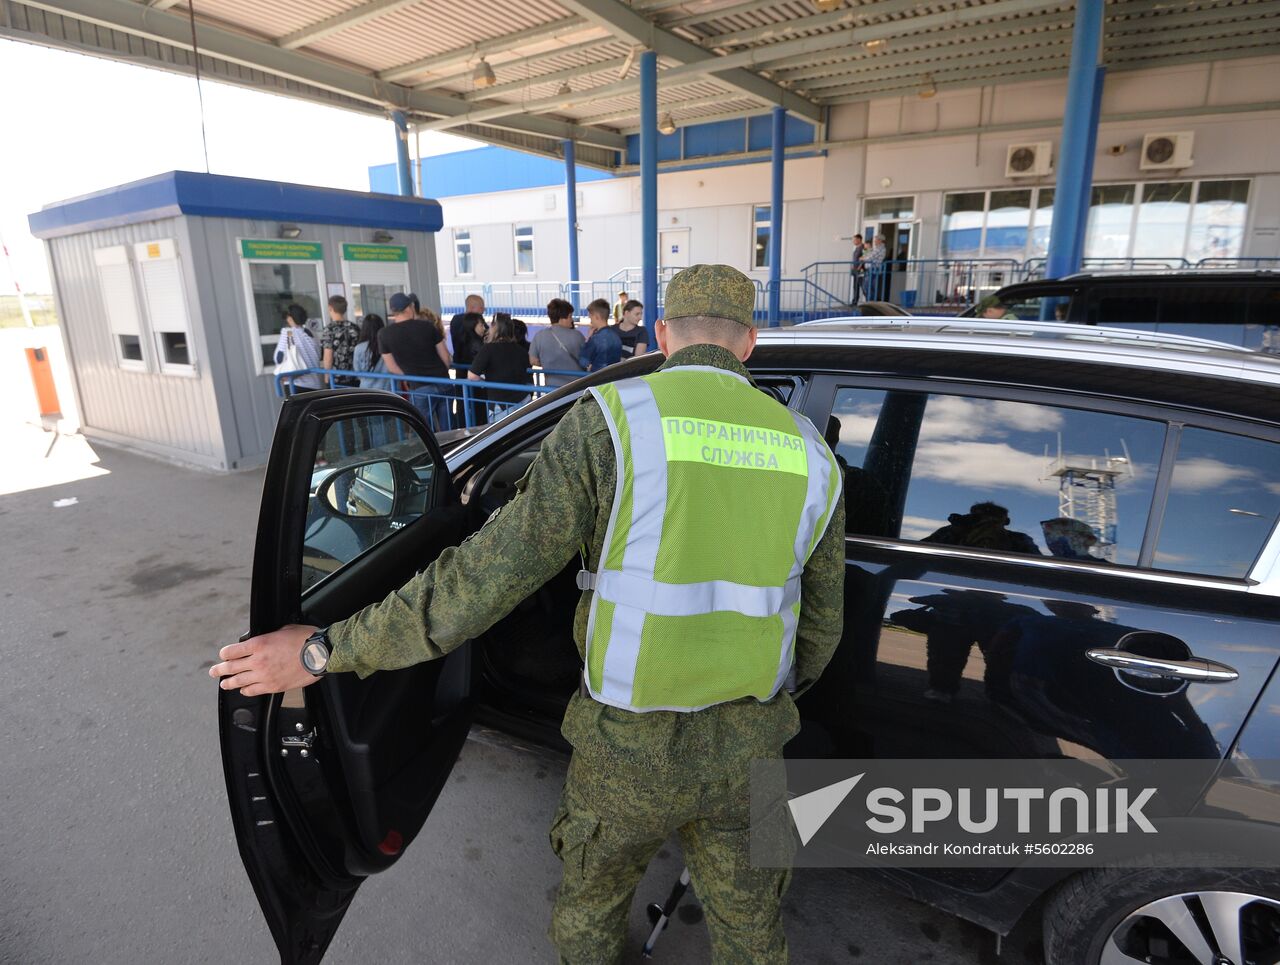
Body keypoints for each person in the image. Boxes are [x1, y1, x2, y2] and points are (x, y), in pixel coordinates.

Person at [210, 263, 846, 965]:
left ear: (662, 334)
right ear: (750, 342)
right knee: (753, 932)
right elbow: (819, 630)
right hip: (751, 745)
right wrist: (767, 706)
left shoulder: (612, 423)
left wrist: (320, 651)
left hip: (627, 751)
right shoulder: (812, 455)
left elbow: (478, 584)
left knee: (590, 911)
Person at [379, 292, 452, 431]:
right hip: (444, 382)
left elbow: (391, 367)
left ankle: (433, 452)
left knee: (424, 430)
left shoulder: (384, 334)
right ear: (409, 308)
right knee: (449, 428)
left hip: (419, 386)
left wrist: (409, 376)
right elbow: (445, 357)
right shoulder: (428, 326)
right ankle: (454, 450)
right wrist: (443, 371)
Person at [467, 315, 532, 424]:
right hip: (524, 400)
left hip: (501, 404)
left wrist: (485, 381)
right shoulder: (520, 350)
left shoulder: (488, 349)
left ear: (494, 328)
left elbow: (472, 376)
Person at [529, 297, 585, 388]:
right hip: (576, 388)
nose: (572, 320)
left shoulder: (539, 335)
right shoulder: (577, 335)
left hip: (552, 390)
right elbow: (586, 360)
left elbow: (533, 361)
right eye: (570, 316)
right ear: (561, 319)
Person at [449, 308, 489, 428]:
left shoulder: (462, 340)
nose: (484, 328)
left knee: (464, 407)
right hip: (478, 384)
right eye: (481, 325)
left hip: (464, 379)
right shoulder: (478, 344)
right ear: (473, 325)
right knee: (480, 411)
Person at [273, 304, 322, 393]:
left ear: (290, 318)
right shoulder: (311, 334)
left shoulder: (288, 333)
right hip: (315, 383)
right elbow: (319, 355)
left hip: (296, 383)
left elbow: (279, 357)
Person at [319, 295, 360, 388]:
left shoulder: (329, 329)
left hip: (336, 378)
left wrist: (326, 376)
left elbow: (328, 356)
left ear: (330, 308)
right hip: (354, 376)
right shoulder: (354, 327)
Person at [578, 298, 623, 373]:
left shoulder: (595, 338)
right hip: (613, 378)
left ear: (597, 317)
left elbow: (583, 362)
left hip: (597, 378)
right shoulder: (616, 337)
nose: (590, 321)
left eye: (590, 318)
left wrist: (588, 339)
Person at [352, 313, 393, 392]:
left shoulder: (359, 348)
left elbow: (357, 371)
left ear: (364, 329)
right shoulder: (390, 345)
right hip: (390, 389)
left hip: (367, 390)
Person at [864, 235, 888, 302]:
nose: (874, 241)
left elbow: (869, 258)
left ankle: (871, 301)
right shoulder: (877, 248)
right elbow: (869, 256)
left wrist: (864, 258)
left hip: (874, 269)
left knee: (868, 286)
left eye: (876, 240)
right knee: (869, 286)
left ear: (880, 240)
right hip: (872, 269)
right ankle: (870, 301)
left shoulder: (880, 248)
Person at [849, 233, 866, 306]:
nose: (854, 241)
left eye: (855, 240)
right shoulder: (857, 248)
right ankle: (855, 301)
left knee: (863, 286)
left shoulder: (863, 248)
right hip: (855, 270)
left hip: (860, 270)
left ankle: (869, 300)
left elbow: (864, 258)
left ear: (859, 240)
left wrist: (859, 267)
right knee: (855, 286)